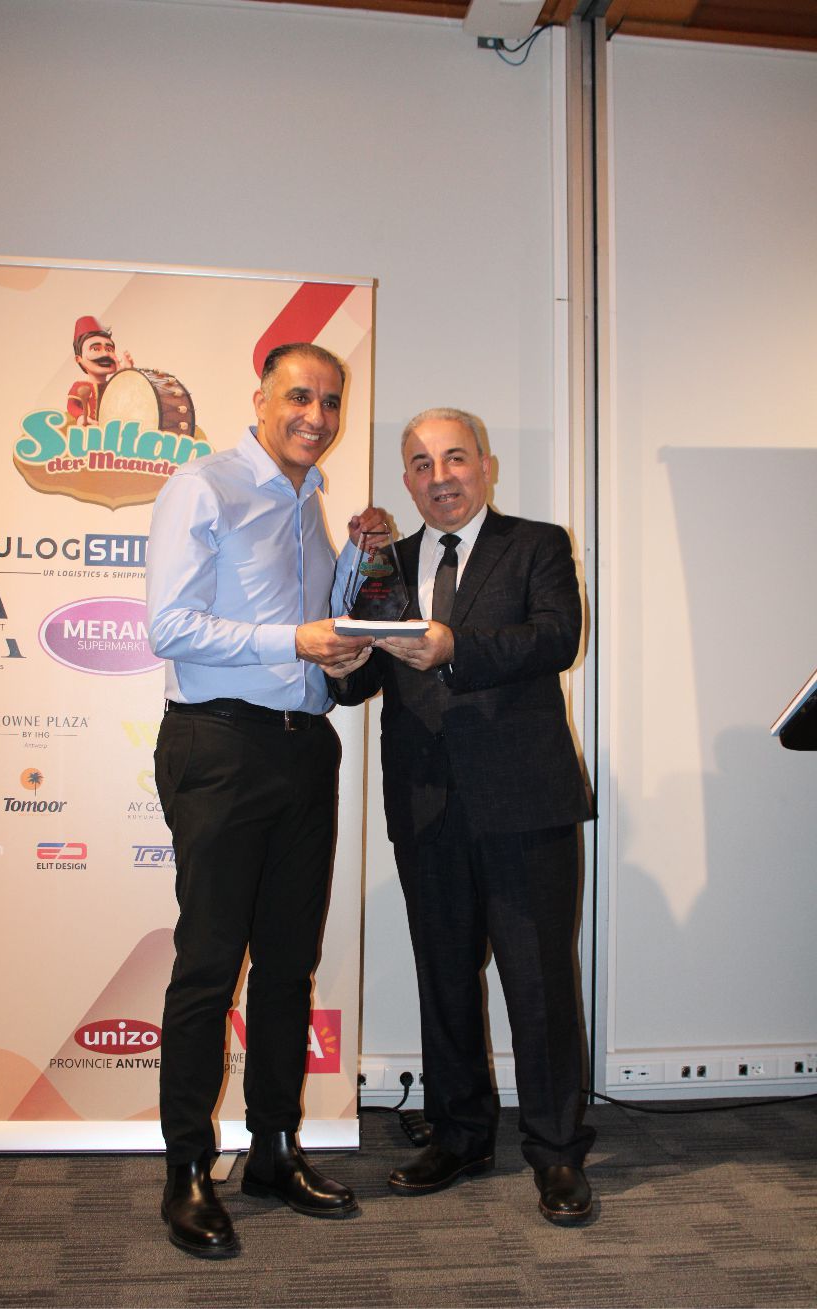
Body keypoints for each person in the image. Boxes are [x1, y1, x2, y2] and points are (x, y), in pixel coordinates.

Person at [325, 407, 597, 1224]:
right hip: (425, 803)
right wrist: (342, 660)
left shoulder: (537, 544)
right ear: (407, 479)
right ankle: (460, 1133)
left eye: (454, 458)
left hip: (526, 802)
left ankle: (555, 1149)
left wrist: (457, 649)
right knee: (443, 978)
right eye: (421, 463)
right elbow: (360, 682)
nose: (439, 476)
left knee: (539, 983)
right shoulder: (388, 562)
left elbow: (557, 637)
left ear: (486, 465)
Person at [146, 342, 382, 1259]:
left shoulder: (309, 501)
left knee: (289, 964)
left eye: (330, 401)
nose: (316, 416)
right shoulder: (203, 486)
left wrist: (358, 561)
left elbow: (323, 623)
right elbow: (168, 625)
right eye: (299, 396)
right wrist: (294, 637)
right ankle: (186, 1168)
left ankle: (275, 1149)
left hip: (302, 748)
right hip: (219, 744)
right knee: (209, 964)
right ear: (260, 399)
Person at [67, 315, 134, 425]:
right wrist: (81, 417)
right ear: (79, 359)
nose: (105, 354)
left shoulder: (114, 386)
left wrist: (125, 375)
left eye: (109, 349)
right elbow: (72, 405)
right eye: (95, 349)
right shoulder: (80, 386)